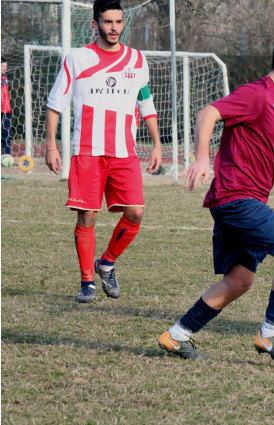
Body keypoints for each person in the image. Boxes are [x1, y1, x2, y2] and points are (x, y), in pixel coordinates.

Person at [157, 33, 274, 362]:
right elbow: (208, 113)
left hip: (247, 201)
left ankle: (176, 336)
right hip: (235, 198)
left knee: (240, 280)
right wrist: (201, 158)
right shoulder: (256, 94)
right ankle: (270, 336)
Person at [45, 0, 162, 303]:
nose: (114, 28)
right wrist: (51, 145)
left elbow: (145, 102)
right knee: (87, 218)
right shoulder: (78, 57)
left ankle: (106, 263)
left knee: (135, 212)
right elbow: (56, 101)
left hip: (125, 151)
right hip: (87, 151)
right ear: (95, 24)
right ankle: (87, 283)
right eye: (108, 22)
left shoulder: (137, 59)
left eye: (119, 22)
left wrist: (158, 144)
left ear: (124, 23)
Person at [1, 56, 12, 155]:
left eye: (6, 66)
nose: (4, 68)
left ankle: (7, 156)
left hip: (7, 111)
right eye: (2, 66)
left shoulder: (5, 77)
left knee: (7, 135)